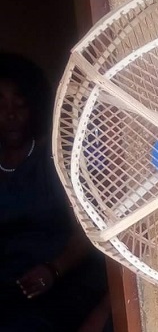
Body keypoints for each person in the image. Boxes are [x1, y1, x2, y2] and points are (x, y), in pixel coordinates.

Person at [0, 53, 109, 331]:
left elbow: (88, 231)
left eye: (20, 104)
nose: (10, 114)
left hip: (65, 279)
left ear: (34, 106)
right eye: (0, 105)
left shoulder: (57, 159)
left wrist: (54, 269)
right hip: (10, 291)